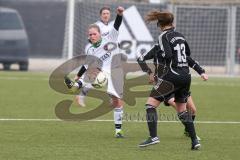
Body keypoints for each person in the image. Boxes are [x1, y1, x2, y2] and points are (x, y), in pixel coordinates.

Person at [137, 10, 204, 150]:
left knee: (150, 105)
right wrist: (200, 70)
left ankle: (153, 137)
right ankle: (194, 141)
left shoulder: (163, 36)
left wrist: (158, 59)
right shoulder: (180, 36)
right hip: (186, 76)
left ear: (160, 24)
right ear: (172, 23)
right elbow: (187, 55)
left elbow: (167, 55)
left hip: (171, 76)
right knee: (182, 111)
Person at [65, 6, 125, 138]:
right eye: (90, 34)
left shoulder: (110, 38)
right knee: (93, 71)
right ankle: (76, 86)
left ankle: (118, 131)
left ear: (100, 34)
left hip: (115, 71)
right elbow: (86, 66)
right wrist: (78, 76)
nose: (92, 36)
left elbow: (117, 24)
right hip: (102, 71)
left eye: (94, 34)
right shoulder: (91, 50)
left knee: (117, 102)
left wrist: (119, 14)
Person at [76, 6, 113, 107]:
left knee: (106, 77)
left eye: (107, 13)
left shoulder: (110, 26)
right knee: (96, 77)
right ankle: (81, 94)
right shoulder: (97, 25)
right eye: (104, 13)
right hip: (97, 54)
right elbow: (91, 38)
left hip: (107, 56)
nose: (106, 15)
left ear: (110, 15)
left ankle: (111, 99)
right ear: (100, 15)